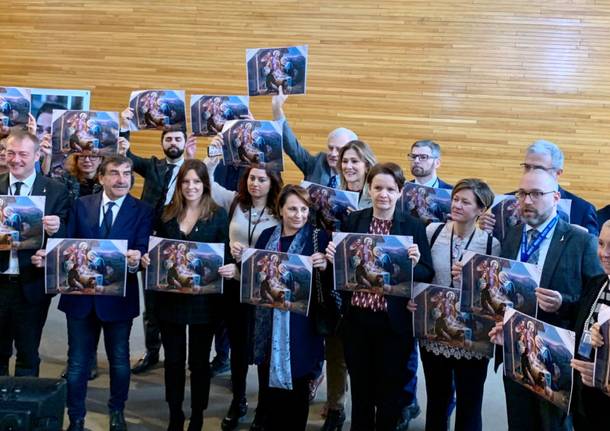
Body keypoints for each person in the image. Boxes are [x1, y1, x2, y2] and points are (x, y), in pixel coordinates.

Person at [33, 155, 154, 431]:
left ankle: (116, 411)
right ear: (101, 178)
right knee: (76, 364)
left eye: (127, 173)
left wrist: (137, 259)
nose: (122, 179)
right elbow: (66, 243)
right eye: (114, 173)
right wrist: (49, 255)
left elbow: (142, 248)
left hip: (119, 301)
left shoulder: (143, 210)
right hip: (80, 299)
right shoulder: (81, 205)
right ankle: (76, 417)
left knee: (120, 362)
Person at [488, 169, 602, 431]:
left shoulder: (581, 240)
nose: (527, 201)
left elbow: (595, 300)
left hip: (557, 358)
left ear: (555, 197)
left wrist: (564, 302)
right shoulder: (513, 235)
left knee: (553, 426)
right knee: (518, 422)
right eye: (522, 193)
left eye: (536, 194)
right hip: (514, 349)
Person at [325, 162, 434, 430]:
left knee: (389, 392)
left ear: (400, 192)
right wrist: (333, 259)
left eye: (390, 189)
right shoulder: (355, 220)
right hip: (357, 319)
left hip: (393, 324)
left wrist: (414, 263)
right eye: (377, 188)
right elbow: (343, 271)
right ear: (368, 189)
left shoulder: (413, 226)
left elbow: (426, 272)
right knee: (361, 390)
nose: (383, 194)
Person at [140, 159, 236, 431]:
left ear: (205, 184)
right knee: (173, 361)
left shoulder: (217, 215)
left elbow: (225, 253)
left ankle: (197, 414)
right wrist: (149, 260)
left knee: (198, 362)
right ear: (179, 185)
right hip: (170, 301)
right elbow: (155, 248)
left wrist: (229, 265)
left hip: (204, 303)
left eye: (196, 181)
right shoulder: (167, 213)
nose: (191, 186)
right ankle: (175, 413)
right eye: (186, 182)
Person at [204, 140, 283, 430]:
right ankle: (238, 400)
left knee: (262, 350)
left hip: (264, 291)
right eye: (251, 178)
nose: (256, 184)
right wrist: (212, 156)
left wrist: (247, 260)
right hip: (234, 288)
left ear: (272, 181)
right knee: (238, 349)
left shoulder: (280, 211)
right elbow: (208, 184)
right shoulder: (236, 202)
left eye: (262, 179)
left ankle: (264, 407)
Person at [415, 179, 500, 431]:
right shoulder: (433, 232)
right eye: (455, 199)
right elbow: (423, 274)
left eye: (465, 202)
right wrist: (414, 299)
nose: (457, 205)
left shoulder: (490, 244)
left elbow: (495, 293)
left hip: (473, 333)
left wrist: (471, 279)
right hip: (435, 329)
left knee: (470, 402)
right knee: (437, 400)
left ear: (480, 209)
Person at [119, 108, 196, 375]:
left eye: (177, 139)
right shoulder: (152, 165)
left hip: (181, 243)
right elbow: (126, 156)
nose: (173, 143)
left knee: (179, 298)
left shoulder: (192, 170)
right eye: (168, 139)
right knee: (151, 303)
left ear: (185, 142)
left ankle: (180, 355)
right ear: (162, 143)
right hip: (150, 243)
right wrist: (124, 126)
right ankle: (152, 352)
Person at [251, 184, 331, 431]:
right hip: (268, 324)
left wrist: (325, 266)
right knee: (269, 387)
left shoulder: (319, 237)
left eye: (304, 209)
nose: (299, 215)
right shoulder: (266, 236)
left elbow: (330, 286)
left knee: (298, 388)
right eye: (293, 209)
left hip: (302, 326)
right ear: (281, 210)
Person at [0, 129, 69, 377]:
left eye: (23, 154)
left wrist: (58, 229)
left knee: (28, 353)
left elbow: (68, 239)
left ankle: (24, 411)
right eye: (10, 153)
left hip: (32, 284)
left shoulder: (55, 190)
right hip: (0, 283)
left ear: (37, 155)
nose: (16, 159)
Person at [272, 87, 358, 188]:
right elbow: (291, 147)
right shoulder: (317, 163)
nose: (333, 153)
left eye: (339, 150)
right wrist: (277, 109)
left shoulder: (358, 176)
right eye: (330, 148)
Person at [569, 220, 610, 429]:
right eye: (601, 244)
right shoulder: (597, 282)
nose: (604, 253)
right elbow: (577, 321)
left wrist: (602, 372)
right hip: (584, 397)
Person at [338, 139, 377, 209]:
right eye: (345, 161)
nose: (348, 166)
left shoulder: (375, 197)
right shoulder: (336, 191)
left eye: (354, 161)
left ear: (367, 166)